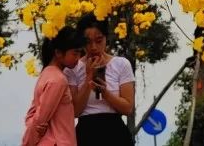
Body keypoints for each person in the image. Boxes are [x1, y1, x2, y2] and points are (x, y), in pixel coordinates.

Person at [65, 14, 135, 146]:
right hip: (86, 133)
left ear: (106, 38)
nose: (93, 47)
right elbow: (75, 111)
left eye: (98, 40)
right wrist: (88, 78)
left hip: (115, 131)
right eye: (87, 42)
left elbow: (127, 108)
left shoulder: (121, 64)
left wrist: (105, 93)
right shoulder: (72, 69)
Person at [22, 27, 85, 146]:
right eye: (75, 53)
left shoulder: (46, 74)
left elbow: (32, 115)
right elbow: (40, 120)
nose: (78, 58)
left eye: (80, 54)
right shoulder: (58, 80)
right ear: (58, 53)